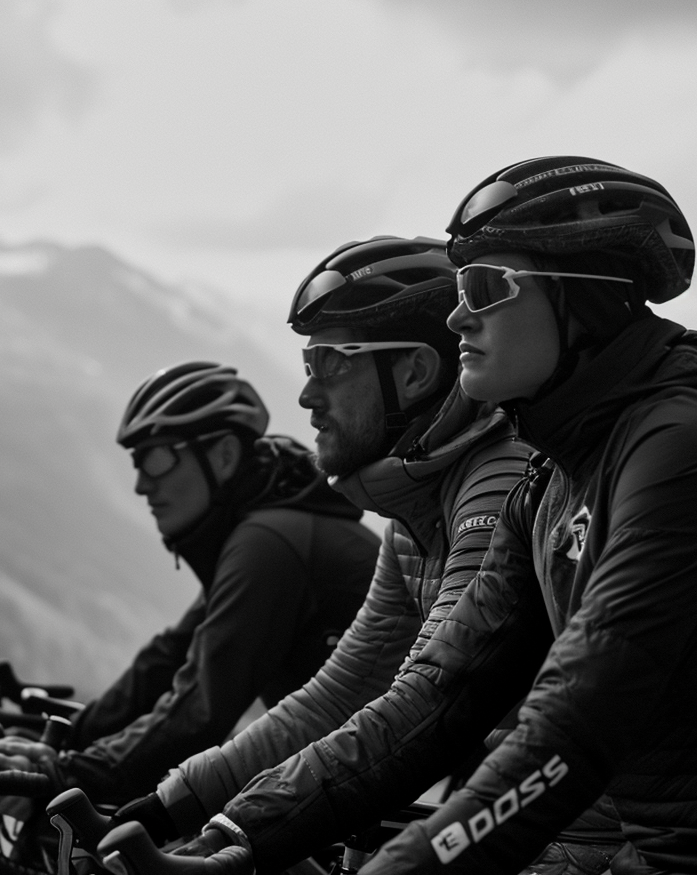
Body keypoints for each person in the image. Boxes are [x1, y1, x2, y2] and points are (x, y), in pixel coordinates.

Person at [165, 158, 697, 874]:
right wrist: (237, 833)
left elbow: (576, 722)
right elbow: (438, 701)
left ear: (585, 299)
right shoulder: (551, 480)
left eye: (486, 287)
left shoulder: (684, 452)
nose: (457, 314)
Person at [116, 239, 618, 873]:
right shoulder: (416, 513)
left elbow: (426, 700)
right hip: (520, 823)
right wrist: (165, 808)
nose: (304, 396)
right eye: (306, 362)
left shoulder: (496, 482)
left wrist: (230, 830)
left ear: (412, 372)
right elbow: (337, 695)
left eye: (330, 363)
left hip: (586, 838)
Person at [0, 361, 379, 805]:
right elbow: (170, 657)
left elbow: (201, 707)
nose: (141, 484)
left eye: (157, 458)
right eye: (136, 461)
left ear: (223, 456)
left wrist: (69, 774)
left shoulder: (269, 542)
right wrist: (73, 737)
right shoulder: (266, 527)